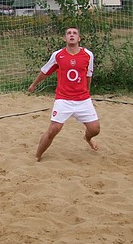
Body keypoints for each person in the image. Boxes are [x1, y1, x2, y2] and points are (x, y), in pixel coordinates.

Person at [27, 27, 100, 161]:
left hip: (82, 99)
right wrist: (33, 85)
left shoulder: (88, 55)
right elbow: (45, 72)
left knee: (95, 129)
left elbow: (88, 75)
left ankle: (88, 138)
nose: (71, 35)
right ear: (64, 38)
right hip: (63, 99)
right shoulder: (58, 55)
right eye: (68, 33)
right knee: (54, 129)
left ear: (79, 38)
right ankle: (37, 155)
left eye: (74, 33)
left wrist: (87, 93)